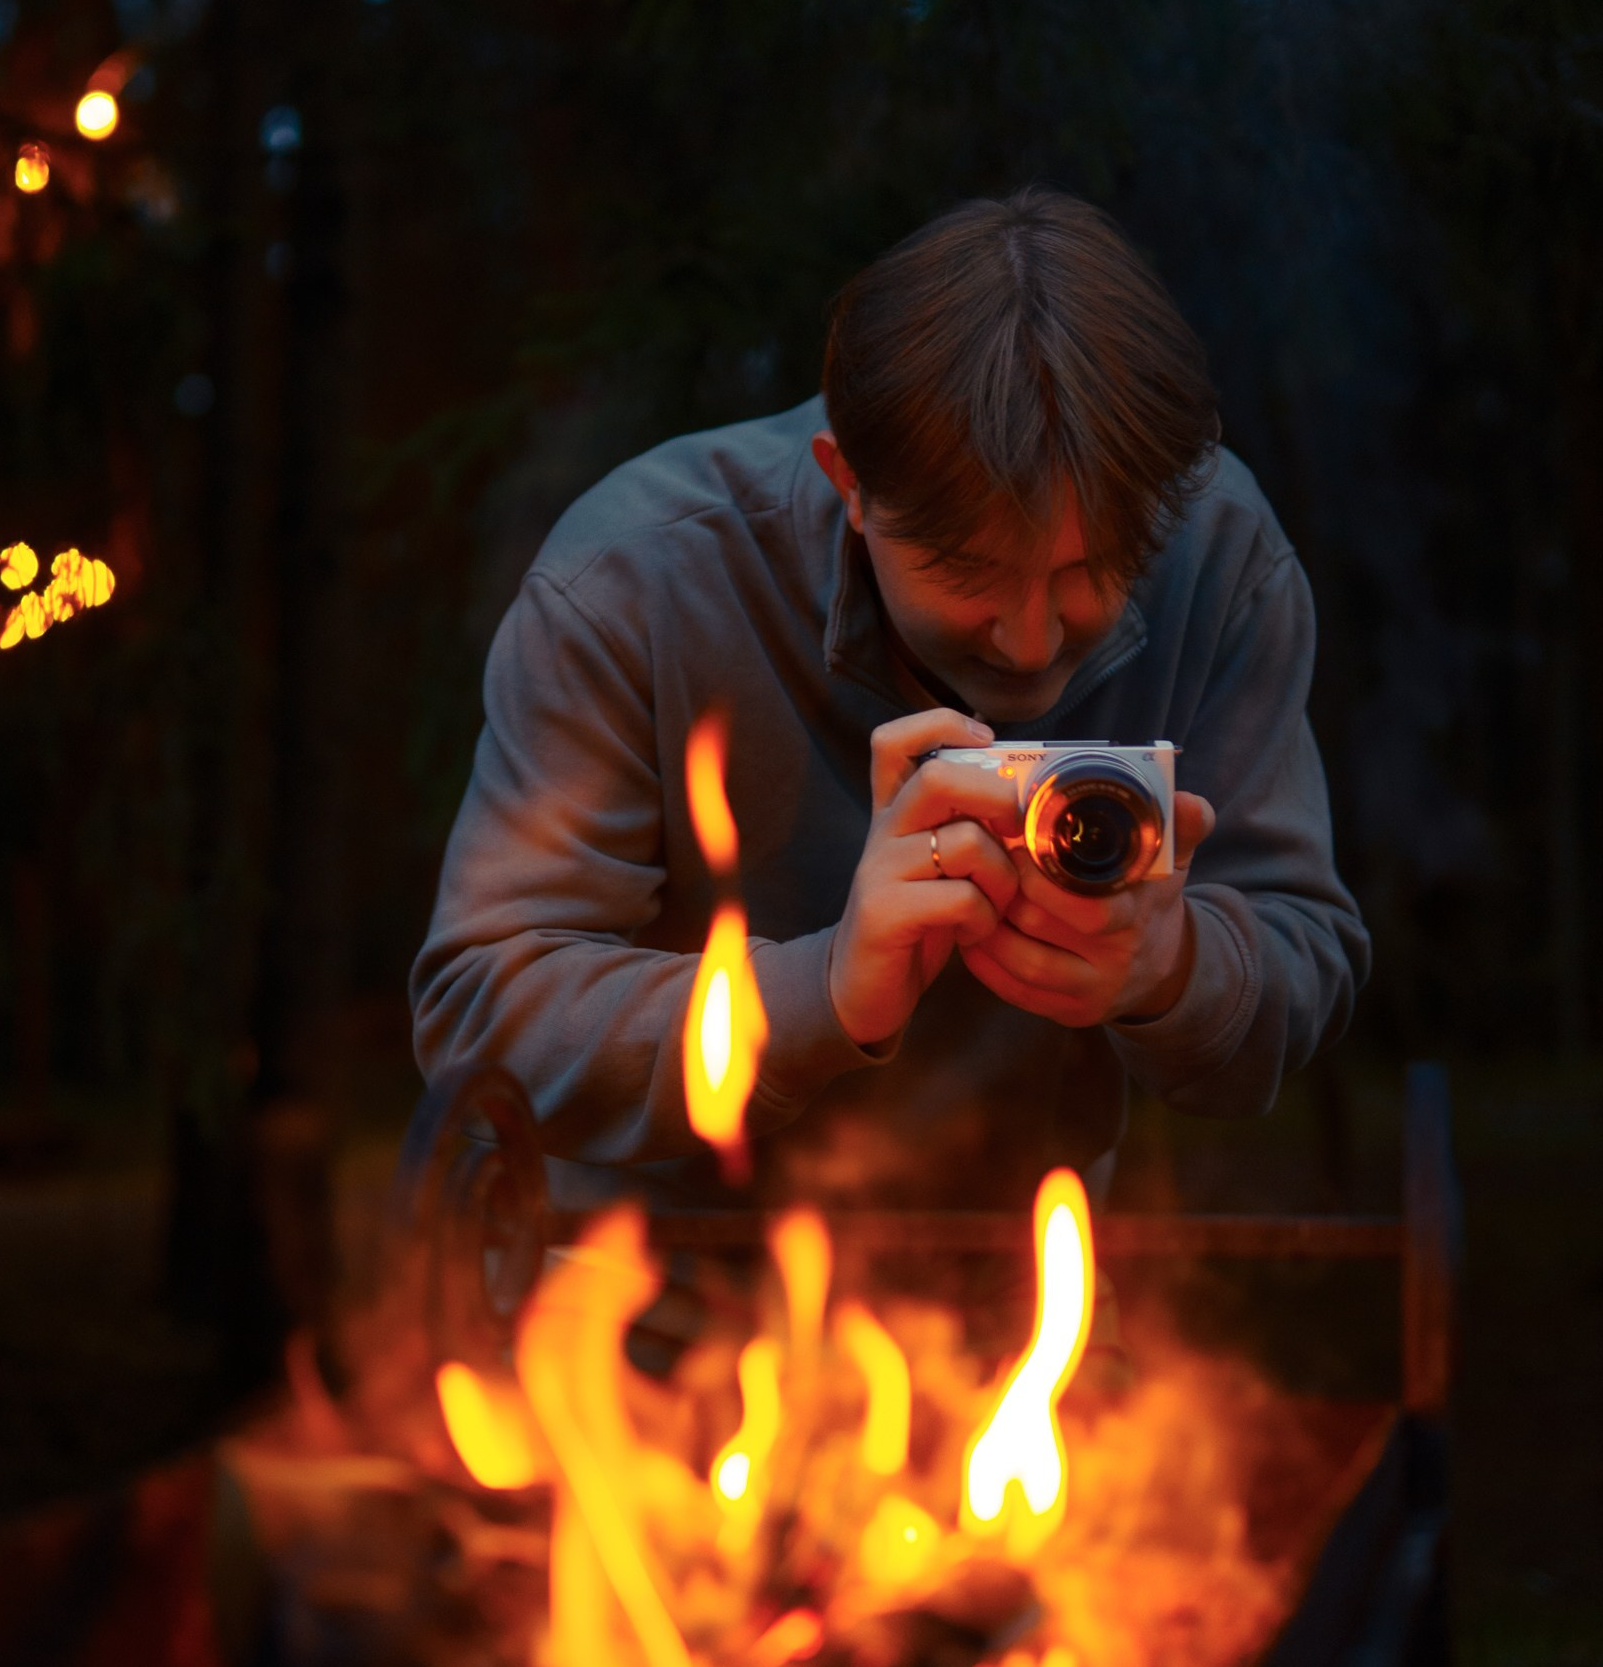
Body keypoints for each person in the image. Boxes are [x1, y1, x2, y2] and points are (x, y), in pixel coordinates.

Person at [411, 189, 1369, 1212]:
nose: (1032, 638)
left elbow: (1300, 950)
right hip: (639, 1309)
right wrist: (818, 991)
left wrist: (1173, 968)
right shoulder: (636, 584)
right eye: (968, 569)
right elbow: (481, 1017)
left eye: (1092, 569)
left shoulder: (1217, 555)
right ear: (849, 484)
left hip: (1024, 1306)